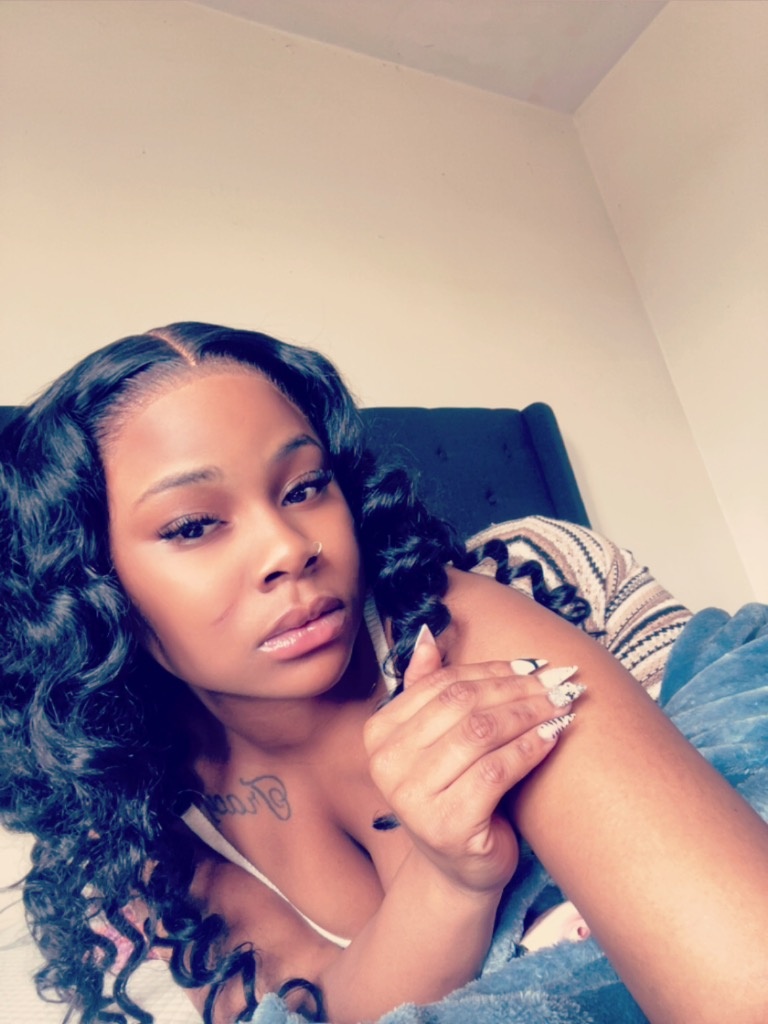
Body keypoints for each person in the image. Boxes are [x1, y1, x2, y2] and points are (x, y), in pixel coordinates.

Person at [0, 322, 766, 1024]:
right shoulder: (135, 818)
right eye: (194, 525)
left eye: (305, 487)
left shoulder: (475, 610)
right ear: (88, 583)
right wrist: (451, 880)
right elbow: (318, 1007)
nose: (289, 547)